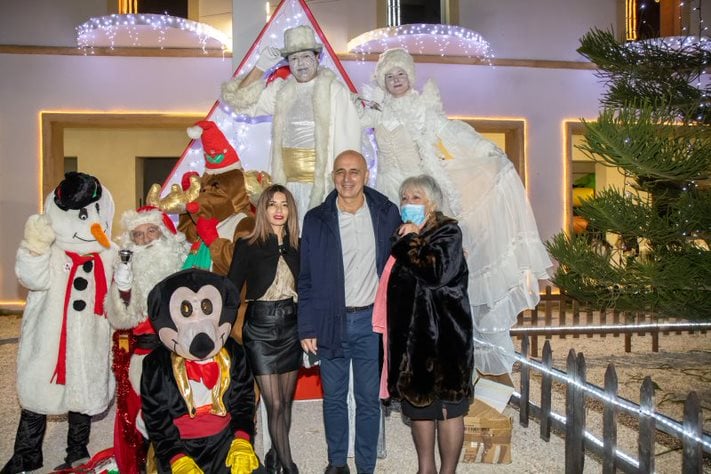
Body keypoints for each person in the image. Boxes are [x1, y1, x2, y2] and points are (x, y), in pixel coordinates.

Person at [361, 48, 552, 376]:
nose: (396, 80)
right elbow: (349, 125)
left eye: (401, 74)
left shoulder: (423, 108)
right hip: (390, 192)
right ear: (382, 80)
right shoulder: (376, 110)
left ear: (410, 77)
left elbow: (451, 132)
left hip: (420, 192)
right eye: (389, 76)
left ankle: (448, 348)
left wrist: (484, 148)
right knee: (396, 264)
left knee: (433, 266)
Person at [2, 172, 116, 473]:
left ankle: (77, 450)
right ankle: (27, 454)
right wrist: (34, 246)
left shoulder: (109, 254)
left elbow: (121, 292)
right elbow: (31, 279)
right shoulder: (50, 251)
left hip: (90, 337)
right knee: (37, 391)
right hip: (48, 335)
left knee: (83, 392)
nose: (91, 223)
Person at [298, 150, 401, 474]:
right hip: (331, 322)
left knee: (369, 399)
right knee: (334, 398)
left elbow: (403, 262)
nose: (347, 178)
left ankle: (366, 467)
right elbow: (306, 277)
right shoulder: (316, 220)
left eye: (354, 171)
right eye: (340, 171)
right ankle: (337, 463)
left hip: (372, 323)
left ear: (366, 175)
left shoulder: (386, 213)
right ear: (333, 176)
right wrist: (307, 327)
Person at [375, 175, 473, 474]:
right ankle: (425, 469)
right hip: (412, 342)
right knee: (420, 409)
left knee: (448, 410)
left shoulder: (448, 232)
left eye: (416, 197)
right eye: (404, 198)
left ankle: (448, 472)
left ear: (432, 203)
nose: (408, 203)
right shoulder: (403, 236)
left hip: (445, 341)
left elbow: (435, 274)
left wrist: (411, 240)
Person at [221, 25, 363, 223]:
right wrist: (260, 67)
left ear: (317, 58)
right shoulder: (282, 91)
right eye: (294, 58)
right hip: (287, 189)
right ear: (288, 63)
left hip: (321, 189)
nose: (301, 63)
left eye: (306, 56)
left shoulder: (334, 91)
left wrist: (343, 187)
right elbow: (238, 101)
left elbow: (350, 144)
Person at [106, 205, 188, 474]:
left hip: (181, 349)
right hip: (145, 350)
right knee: (143, 411)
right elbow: (122, 318)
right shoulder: (126, 270)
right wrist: (124, 291)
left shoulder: (182, 262)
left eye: (152, 231)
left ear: (165, 233)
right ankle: (146, 462)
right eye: (138, 235)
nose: (146, 240)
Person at [228, 184, 301, 474]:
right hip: (259, 329)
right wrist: (220, 328)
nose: (279, 210)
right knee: (275, 404)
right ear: (263, 209)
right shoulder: (247, 245)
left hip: (291, 327)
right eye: (272, 204)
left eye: (284, 204)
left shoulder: (298, 245)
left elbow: (307, 289)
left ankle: (274, 456)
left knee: (286, 403)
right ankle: (290, 467)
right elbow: (231, 290)